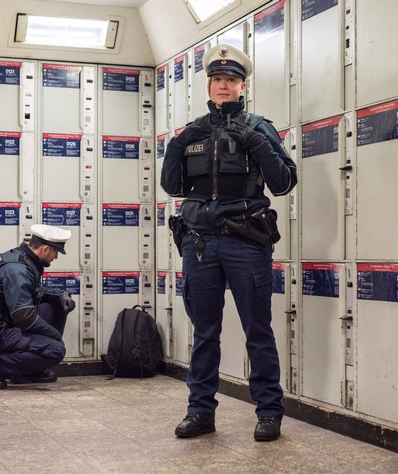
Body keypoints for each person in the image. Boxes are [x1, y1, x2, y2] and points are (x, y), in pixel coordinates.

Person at [161, 44, 298, 442]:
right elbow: (172, 187)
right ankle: (200, 411)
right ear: (209, 85)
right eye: (218, 79)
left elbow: (284, 182)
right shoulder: (193, 132)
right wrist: (176, 144)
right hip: (200, 244)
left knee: (258, 330)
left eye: (232, 80)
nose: (225, 85)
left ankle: (269, 413)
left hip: (246, 243)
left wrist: (256, 142)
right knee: (205, 333)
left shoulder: (260, 127)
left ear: (242, 86)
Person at [0, 224, 74, 390]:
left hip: (7, 319)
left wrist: (59, 295)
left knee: (57, 305)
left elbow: (30, 293)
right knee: (56, 350)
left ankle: (29, 370)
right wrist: (54, 336)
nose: (55, 257)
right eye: (55, 252)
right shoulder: (17, 270)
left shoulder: (24, 258)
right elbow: (24, 317)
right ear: (44, 249)